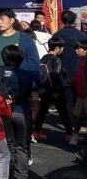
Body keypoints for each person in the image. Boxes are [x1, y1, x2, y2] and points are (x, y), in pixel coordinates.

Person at [0, 44, 35, 179]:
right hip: (21, 110)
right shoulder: (26, 73)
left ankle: (4, 177)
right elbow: (31, 90)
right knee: (22, 146)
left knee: (7, 145)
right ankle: (21, 178)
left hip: (3, 111)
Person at [51, 10, 85, 141]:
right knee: (80, 100)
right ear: (74, 20)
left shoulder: (57, 35)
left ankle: (71, 130)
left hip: (62, 73)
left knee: (68, 103)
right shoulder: (81, 35)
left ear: (62, 20)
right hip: (80, 72)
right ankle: (80, 126)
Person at [35, 36, 72, 142]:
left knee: (42, 111)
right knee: (63, 112)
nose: (63, 50)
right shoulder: (56, 60)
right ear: (56, 48)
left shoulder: (43, 58)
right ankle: (69, 133)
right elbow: (56, 75)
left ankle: (37, 131)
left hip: (43, 89)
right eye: (62, 48)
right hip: (54, 90)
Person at [0, 8, 40, 73]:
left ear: (12, 20)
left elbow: (34, 61)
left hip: (20, 79)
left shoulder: (25, 38)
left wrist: (18, 69)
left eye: (2, 19)